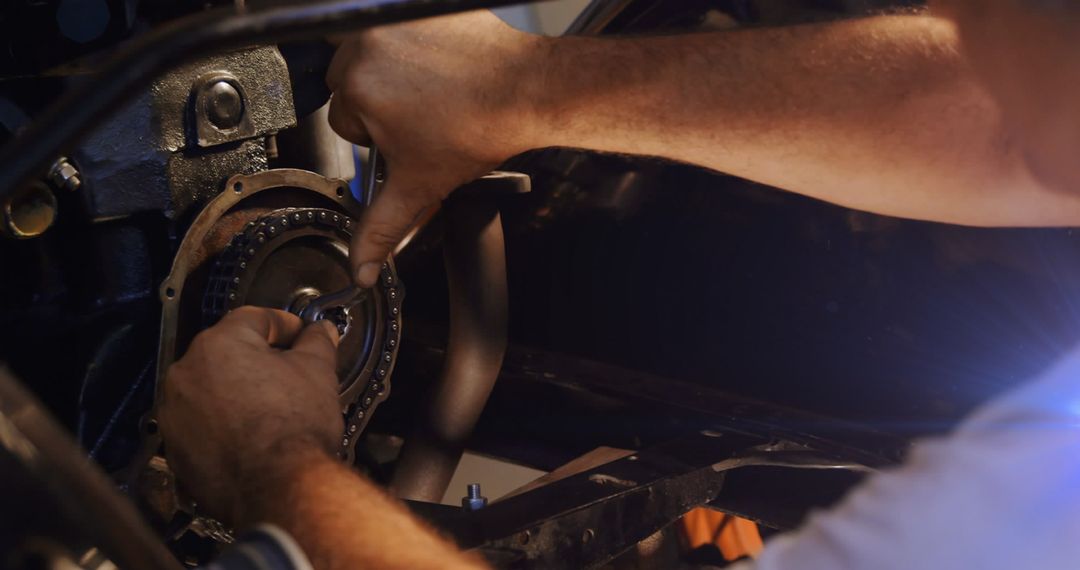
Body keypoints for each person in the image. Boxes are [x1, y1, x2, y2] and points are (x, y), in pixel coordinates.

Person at [158, 1, 1080, 568]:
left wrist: (271, 466)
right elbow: (1007, 126)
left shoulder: (1030, 511)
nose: (942, 11)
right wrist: (518, 86)